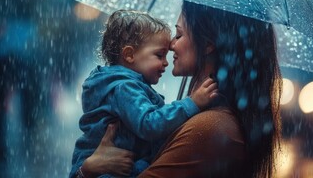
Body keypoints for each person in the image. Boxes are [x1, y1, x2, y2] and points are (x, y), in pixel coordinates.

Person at [78, 2, 282, 178]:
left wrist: (86, 172)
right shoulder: (211, 121)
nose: (172, 45)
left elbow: (150, 126)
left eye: (179, 34)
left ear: (208, 43)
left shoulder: (210, 128)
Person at [70, 10, 218, 178]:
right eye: (159, 55)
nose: (165, 62)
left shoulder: (125, 84)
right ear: (129, 55)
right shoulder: (124, 88)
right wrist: (192, 104)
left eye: (178, 35)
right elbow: (149, 124)